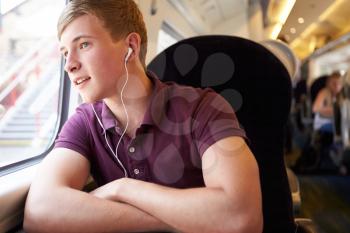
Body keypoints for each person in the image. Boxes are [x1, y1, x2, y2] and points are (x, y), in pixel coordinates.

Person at [23, 0, 263, 232]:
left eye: (83, 45)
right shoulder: (84, 122)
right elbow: (39, 212)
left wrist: (123, 189)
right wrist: (185, 220)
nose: (69, 65)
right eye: (65, 52)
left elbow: (241, 218)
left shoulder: (204, 108)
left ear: (131, 47)